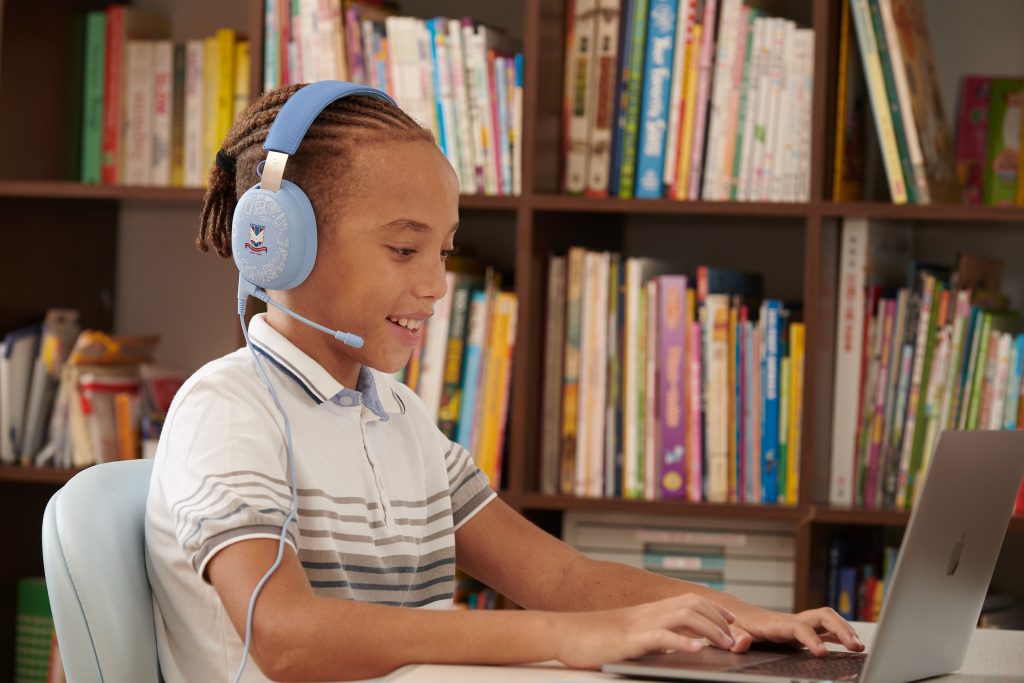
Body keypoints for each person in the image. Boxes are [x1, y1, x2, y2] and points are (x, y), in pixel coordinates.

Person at [144, 82, 863, 683]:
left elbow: (561, 578)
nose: (435, 284)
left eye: (444, 252)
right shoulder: (230, 411)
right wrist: (563, 637)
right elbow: (287, 634)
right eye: (403, 248)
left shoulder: (398, 415)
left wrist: (737, 614)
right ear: (276, 243)